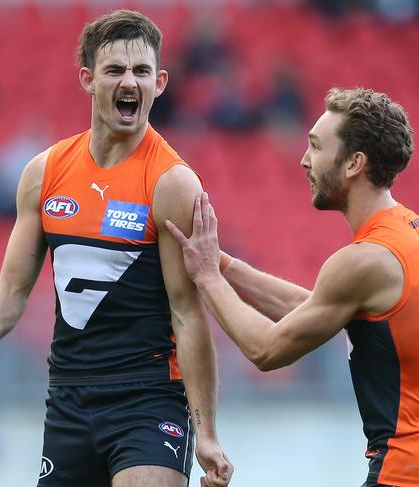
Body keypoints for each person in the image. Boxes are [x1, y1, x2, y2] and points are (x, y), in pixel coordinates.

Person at [0, 9, 233, 487]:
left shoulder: (172, 184)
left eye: (141, 72)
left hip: (149, 397)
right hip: (69, 398)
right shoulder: (44, 172)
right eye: (115, 70)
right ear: (88, 79)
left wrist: (207, 433)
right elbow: (12, 289)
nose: (130, 83)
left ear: (160, 82)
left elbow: (188, 313)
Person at [166, 87, 416, 487]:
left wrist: (208, 277)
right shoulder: (404, 236)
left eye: (316, 147)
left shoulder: (364, 260)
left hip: (403, 471)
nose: (304, 161)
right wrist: (223, 264)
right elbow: (316, 309)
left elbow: (266, 349)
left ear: (354, 163)